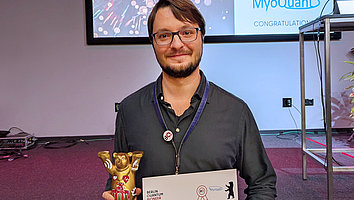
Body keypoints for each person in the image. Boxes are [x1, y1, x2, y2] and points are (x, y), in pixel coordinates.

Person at [102, 0, 277, 199]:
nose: (176, 44)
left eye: (187, 32)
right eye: (164, 35)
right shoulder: (129, 110)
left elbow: (262, 184)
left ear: (202, 36)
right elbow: (119, 179)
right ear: (152, 42)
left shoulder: (235, 112)